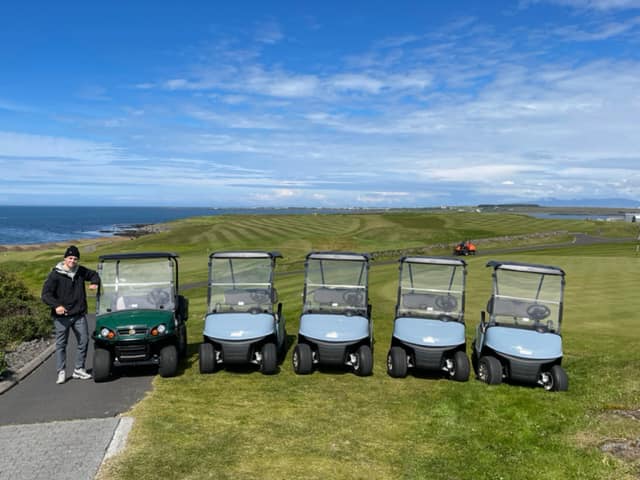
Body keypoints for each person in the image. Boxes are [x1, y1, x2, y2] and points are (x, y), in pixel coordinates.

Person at [41, 245, 100, 384]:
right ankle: (61, 371)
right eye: (70, 258)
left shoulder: (80, 271)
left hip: (78, 314)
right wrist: (56, 306)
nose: (73, 261)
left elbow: (94, 274)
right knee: (61, 344)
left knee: (84, 341)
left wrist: (94, 283)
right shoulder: (55, 275)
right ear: (65, 258)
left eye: (75, 258)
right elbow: (45, 295)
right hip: (62, 318)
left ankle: (79, 369)